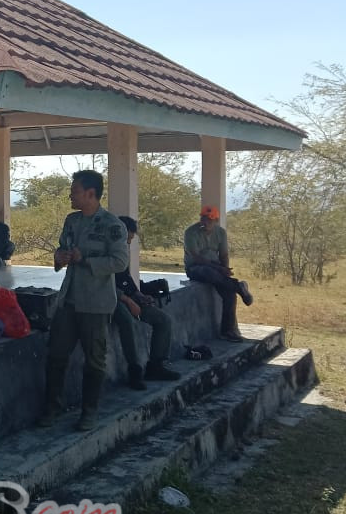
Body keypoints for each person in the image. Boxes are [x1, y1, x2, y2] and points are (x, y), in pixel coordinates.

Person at [37, 170, 129, 431]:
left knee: (95, 360)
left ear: (91, 193)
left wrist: (85, 260)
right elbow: (61, 249)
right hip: (68, 301)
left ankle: (89, 412)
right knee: (56, 356)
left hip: (96, 304)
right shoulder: (72, 221)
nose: (70, 195)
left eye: (75, 190)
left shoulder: (112, 225)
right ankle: (51, 408)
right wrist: (59, 257)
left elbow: (120, 262)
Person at [112, 216, 180, 390]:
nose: (128, 243)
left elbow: (125, 279)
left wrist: (139, 295)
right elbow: (103, 283)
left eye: (130, 240)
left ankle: (156, 365)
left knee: (164, 320)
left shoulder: (122, 253)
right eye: (127, 238)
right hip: (111, 299)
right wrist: (127, 300)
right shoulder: (106, 250)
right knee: (127, 322)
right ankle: (134, 371)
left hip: (127, 297)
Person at [183, 205, 254, 342]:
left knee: (229, 293)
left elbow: (224, 254)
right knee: (207, 271)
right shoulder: (190, 232)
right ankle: (238, 286)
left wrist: (225, 269)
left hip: (216, 269)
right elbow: (196, 257)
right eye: (203, 218)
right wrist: (219, 269)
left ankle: (228, 331)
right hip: (195, 268)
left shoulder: (221, 233)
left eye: (209, 220)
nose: (206, 222)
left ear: (215, 220)